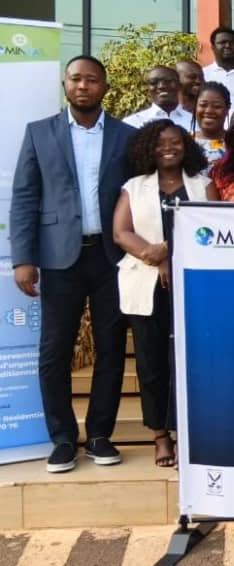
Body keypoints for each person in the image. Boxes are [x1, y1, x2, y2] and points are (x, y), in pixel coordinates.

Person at [10, 55, 135, 472]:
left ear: (104, 87)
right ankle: (62, 438)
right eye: (76, 79)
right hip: (58, 257)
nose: (83, 86)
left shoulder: (125, 135)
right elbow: (25, 197)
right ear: (65, 85)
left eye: (92, 80)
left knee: (111, 348)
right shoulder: (39, 132)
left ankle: (100, 435)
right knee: (55, 350)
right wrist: (24, 258)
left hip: (110, 256)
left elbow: (137, 194)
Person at [113, 120, 216, 467]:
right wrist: (154, 257)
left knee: (192, 362)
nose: (168, 148)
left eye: (175, 142)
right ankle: (160, 436)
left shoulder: (203, 185)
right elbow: (121, 232)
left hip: (194, 285)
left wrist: (168, 250)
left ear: (186, 146)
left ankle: (190, 432)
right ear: (148, 149)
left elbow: (213, 229)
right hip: (145, 285)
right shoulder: (134, 186)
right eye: (159, 143)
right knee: (151, 364)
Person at [123, 66, 193, 129]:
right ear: (147, 88)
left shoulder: (195, 121)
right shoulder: (132, 123)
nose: (161, 86)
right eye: (153, 82)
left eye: (168, 81)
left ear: (179, 85)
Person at [203, 26, 234, 106]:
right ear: (213, 47)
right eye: (222, 42)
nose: (228, 46)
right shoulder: (203, 74)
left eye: (232, 42)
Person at [192, 81, 231, 166]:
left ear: (227, 109)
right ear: (195, 107)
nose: (209, 111)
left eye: (217, 106)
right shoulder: (184, 141)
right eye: (203, 105)